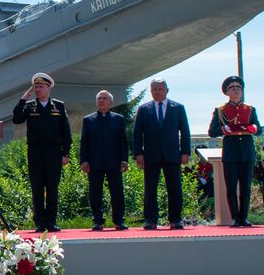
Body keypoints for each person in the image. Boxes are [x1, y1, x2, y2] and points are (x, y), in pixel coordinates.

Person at [12, 73, 72, 232]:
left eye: (41, 87)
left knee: (52, 187)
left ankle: (51, 221)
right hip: (35, 152)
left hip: (54, 152)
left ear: (48, 88)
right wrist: (23, 99)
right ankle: (40, 222)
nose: (38, 89)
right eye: (36, 87)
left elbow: (66, 131)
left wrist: (66, 153)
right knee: (37, 187)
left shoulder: (58, 106)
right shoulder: (30, 106)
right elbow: (17, 118)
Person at [133, 77, 191, 230]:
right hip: (150, 156)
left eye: (160, 88)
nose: (157, 91)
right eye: (154, 89)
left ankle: (176, 219)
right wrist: (138, 153)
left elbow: (185, 132)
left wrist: (185, 152)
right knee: (150, 188)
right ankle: (151, 219)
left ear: (167, 90)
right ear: (151, 91)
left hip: (172, 155)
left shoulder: (178, 108)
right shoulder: (144, 109)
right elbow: (137, 133)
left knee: (174, 188)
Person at [208, 75, 261, 227]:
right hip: (231, 151)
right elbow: (212, 131)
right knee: (231, 186)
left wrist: (254, 128)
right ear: (227, 92)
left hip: (246, 150)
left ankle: (244, 217)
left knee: (246, 187)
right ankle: (235, 217)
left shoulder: (250, 109)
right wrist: (223, 129)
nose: (236, 91)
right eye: (232, 88)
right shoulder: (221, 110)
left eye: (239, 88)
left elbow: (259, 129)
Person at [79, 89, 129, 231]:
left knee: (117, 192)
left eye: (104, 98)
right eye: (99, 98)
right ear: (96, 101)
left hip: (114, 162)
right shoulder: (88, 120)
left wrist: (124, 160)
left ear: (110, 102)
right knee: (95, 193)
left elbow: (123, 142)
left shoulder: (118, 119)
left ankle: (119, 220)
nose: (101, 100)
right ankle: (98, 221)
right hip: (94, 163)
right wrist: (84, 160)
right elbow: (84, 142)